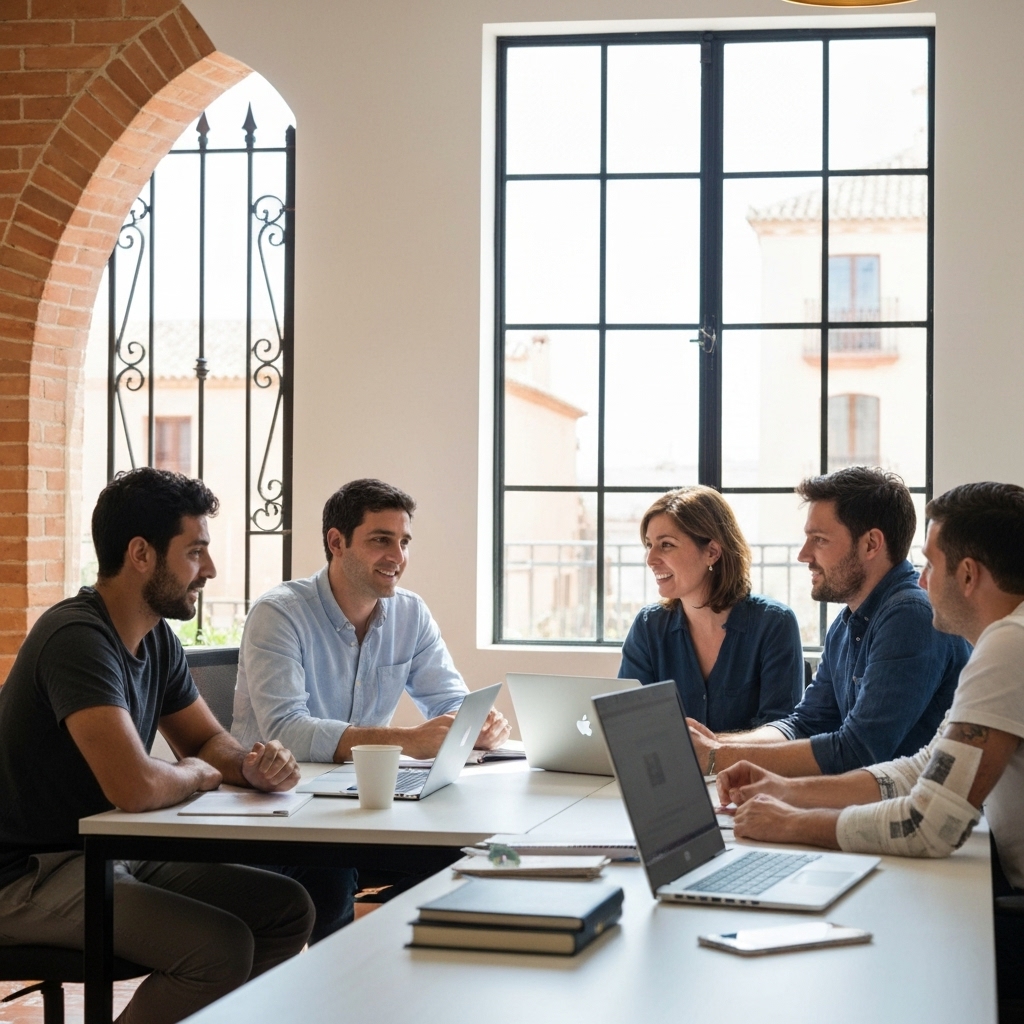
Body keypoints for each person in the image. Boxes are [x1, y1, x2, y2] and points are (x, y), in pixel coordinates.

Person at [0, 469, 314, 1024]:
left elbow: (205, 740)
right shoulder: (77, 638)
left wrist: (249, 765)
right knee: (218, 949)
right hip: (28, 873)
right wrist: (195, 773)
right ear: (141, 553)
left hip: (108, 850)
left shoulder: (155, 636)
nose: (210, 570)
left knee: (285, 910)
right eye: (196, 552)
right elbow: (138, 787)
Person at [715, 482, 1024, 1002]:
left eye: (930, 563)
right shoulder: (1006, 640)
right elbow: (923, 766)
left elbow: (927, 826)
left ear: (967, 575)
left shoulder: (1010, 645)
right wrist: (788, 791)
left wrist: (795, 824)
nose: (921, 578)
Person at [232, 477, 510, 939]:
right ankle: (338, 991)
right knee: (331, 872)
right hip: (281, 810)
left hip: (359, 809)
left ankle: (387, 962)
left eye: (403, 542)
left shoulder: (410, 613)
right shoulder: (280, 613)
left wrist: (476, 723)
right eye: (381, 540)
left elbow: (447, 699)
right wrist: (408, 741)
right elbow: (288, 730)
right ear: (336, 542)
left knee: (467, 854)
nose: (397, 557)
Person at [688, 467, 971, 777]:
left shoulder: (910, 615)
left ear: (870, 545)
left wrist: (719, 756)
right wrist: (708, 744)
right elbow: (805, 724)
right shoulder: (848, 622)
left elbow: (857, 751)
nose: (803, 554)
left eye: (819, 540)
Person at [618, 486, 804, 732]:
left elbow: (781, 732)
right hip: (669, 770)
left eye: (666, 545)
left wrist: (714, 753)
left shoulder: (774, 624)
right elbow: (628, 723)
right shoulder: (648, 626)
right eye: (649, 545)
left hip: (748, 771)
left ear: (712, 552)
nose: (650, 559)